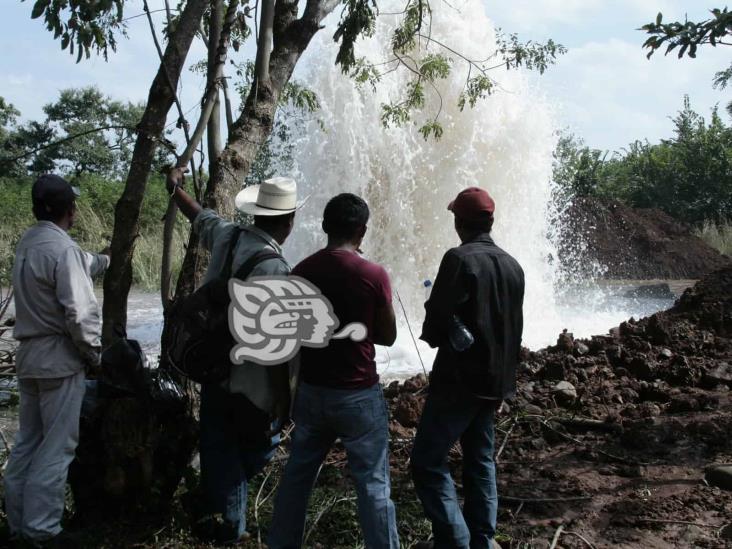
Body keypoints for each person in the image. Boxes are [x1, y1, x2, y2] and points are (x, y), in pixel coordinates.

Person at [165, 167, 306, 545]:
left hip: (213, 365)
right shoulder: (276, 269)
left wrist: (176, 189)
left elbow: (200, 217)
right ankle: (232, 528)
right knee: (259, 445)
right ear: (289, 222)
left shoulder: (229, 237)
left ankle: (220, 512)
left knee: (218, 441)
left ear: (257, 212)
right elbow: (277, 348)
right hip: (248, 379)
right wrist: (284, 400)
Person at [268, 193, 400, 549]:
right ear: (363, 231)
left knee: (297, 478)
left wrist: (284, 398)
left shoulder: (301, 272)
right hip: (358, 395)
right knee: (373, 484)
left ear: (325, 227)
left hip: (312, 394)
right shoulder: (373, 274)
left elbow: (289, 340)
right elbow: (388, 336)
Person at [411, 187, 525, 549]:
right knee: (480, 460)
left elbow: (435, 323)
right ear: (490, 222)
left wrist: (434, 329)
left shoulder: (458, 259)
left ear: (460, 223)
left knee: (427, 462)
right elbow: (512, 329)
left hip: (458, 382)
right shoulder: (513, 265)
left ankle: (457, 540)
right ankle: (483, 540)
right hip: (494, 383)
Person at [5, 174, 110, 546]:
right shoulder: (62, 250)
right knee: (56, 447)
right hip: (59, 359)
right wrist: (93, 354)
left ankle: (18, 526)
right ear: (70, 209)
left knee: (28, 443)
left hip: (29, 356)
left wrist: (105, 260)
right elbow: (80, 314)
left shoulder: (30, 244)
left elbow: (81, 262)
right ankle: (43, 531)